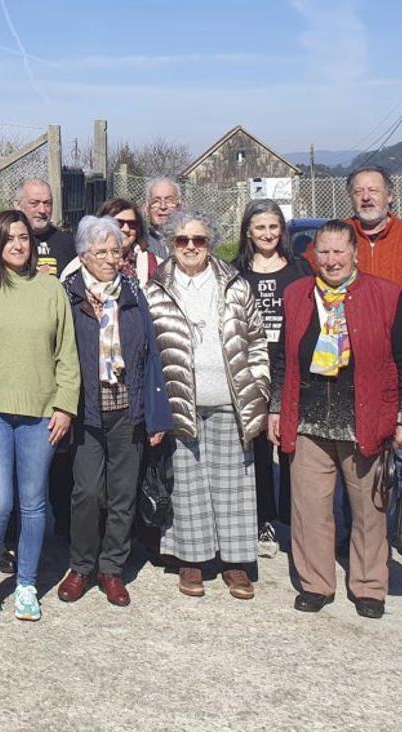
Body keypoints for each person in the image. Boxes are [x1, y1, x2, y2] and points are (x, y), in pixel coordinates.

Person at [269, 219, 402, 619]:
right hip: (308, 422)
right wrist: (275, 408)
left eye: (339, 251)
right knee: (309, 510)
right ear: (313, 255)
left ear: (355, 253)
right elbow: (283, 357)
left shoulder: (385, 296)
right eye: (324, 252)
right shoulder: (296, 294)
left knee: (370, 510)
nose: (331, 260)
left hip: (364, 421)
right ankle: (316, 583)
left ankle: (369, 586)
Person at [305, 165, 402, 572]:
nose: (367, 197)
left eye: (375, 191)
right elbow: (305, 278)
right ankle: (354, 535)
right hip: (348, 371)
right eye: (359, 191)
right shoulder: (338, 241)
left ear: (390, 197)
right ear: (351, 197)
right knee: (357, 458)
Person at [0, 210, 80, 622]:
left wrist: (65, 405)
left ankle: (26, 584)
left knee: (34, 502)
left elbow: (67, 354)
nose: (18, 245)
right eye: (9, 239)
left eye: (23, 237)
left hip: (41, 412)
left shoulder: (50, 290)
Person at [144, 210, 268, 600]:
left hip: (231, 402)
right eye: (183, 240)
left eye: (198, 240)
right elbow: (147, 351)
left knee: (234, 486)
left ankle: (235, 564)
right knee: (187, 488)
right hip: (182, 403)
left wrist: (259, 391)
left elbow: (257, 341)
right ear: (170, 244)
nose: (191, 247)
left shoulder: (234, 284)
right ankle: (191, 562)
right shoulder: (154, 288)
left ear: (210, 244)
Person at [57, 216, 173, 607]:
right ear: (83, 256)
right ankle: (81, 566)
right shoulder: (68, 295)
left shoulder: (135, 293)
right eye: (101, 251)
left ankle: (112, 569)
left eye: (115, 250)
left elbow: (151, 355)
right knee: (87, 492)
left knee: (123, 494)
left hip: (129, 408)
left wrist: (156, 415)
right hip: (87, 411)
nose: (110, 258)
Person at [234, 199, 313, 558]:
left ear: (282, 230)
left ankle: (297, 518)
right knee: (258, 449)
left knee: (295, 448)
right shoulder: (236, 271)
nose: (267, 234)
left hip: (292, 367)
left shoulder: (300, 269)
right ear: (248, 232)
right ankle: (262, 517)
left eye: (273, 227)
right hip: (250, 370)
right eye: (260, 228)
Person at [14, 178, 76, 540]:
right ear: (19, 203)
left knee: (59, 456)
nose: (41, 210)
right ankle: (10, 537)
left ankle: (65, 533)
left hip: (57, 358)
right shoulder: (7, 239)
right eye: (34, 202)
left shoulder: (66, 244)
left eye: (47, 203)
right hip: (19, 363)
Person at [143, 177, 182, 259]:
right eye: (156, 201)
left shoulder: (192, 241)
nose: (163, 206)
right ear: (146, 209)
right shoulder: (140, 243)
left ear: (179, 207)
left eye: (169, 200)